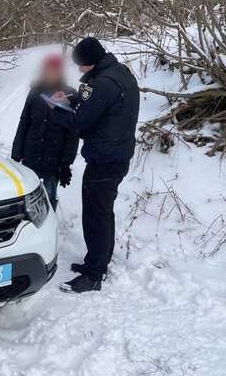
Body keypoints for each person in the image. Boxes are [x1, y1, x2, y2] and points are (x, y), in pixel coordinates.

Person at [47, 37, 140, 293]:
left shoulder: (103, 83)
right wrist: (73, 98)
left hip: (104, 158)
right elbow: (100, 105)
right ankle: (98, 261)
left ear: (92, 61)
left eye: (81, 65)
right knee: (103, 211)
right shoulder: (119, 73)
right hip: (116, 154)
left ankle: (94, 275)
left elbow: (79, 121)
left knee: (95, 215)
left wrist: (57, 107)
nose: (79, 69)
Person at [11, 54, 79, 209]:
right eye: (47, 70)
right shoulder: (35, 93)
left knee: (48, 199)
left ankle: (49, 221)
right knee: (27, 200)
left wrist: (66, 163)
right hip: (31, 156)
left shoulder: (69, 95)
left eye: (53, 71)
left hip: (53, 159)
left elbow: (72, 132)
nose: (49, 74)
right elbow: (24, 123)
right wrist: (16, 154)